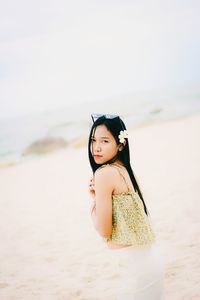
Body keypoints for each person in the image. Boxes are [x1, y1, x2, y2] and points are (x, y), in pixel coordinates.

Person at [88, 114, 165, 300]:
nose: (96, 147)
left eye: (104, 141)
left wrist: (94, 202)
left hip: (134, 270)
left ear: (120, 144)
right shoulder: (126, 170)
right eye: (93, 140)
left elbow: (105, 231)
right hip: (150, 261)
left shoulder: (104, 174)